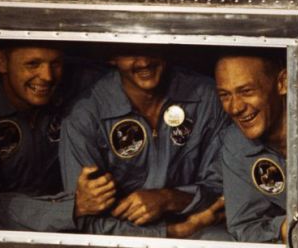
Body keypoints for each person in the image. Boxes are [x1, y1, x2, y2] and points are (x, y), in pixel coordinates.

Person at [60, 45, 229, 238]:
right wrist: (169, 233)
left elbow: (224, 189)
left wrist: (168, 199)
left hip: (200, 226)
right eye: (130, 52)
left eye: (152, 48)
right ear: (112, 57)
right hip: (121, 239)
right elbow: (83, 217)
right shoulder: (84, 115)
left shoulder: (207, 97)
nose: (144, 62)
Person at [0, 42, 77, 231]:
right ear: (1, 62)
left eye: (55, 64)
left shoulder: (72, 98)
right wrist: (72, 211)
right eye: (33, 64)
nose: (48, 76)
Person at [214, 52, 289, 243]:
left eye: (246, 91)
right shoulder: (236, 142)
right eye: (225, 95)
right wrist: (283, 228)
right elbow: (244, 226)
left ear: (282, 83)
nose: (235, 108)